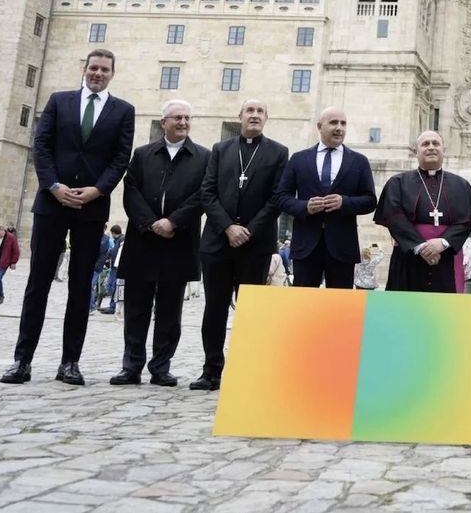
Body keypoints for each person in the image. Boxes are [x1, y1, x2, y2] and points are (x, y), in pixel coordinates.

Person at [2, 49, 136, 387]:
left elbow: (120, 159)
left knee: (80, 287)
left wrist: (98, 190)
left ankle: (70, 362)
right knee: (38, 285)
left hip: (91, 209)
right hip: (52, 203)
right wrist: (53, 185)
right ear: (85, 70)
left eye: (104, 69)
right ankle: (22, 360)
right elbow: (41, 146)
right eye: (93, 68)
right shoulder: (59, 101)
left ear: (112, 73)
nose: (97, 74)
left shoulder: (123, 111)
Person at [111, 98, 209, 387]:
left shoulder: (203, 157)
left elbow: (203, 194)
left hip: (179, 241)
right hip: (144, 240)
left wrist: (173, 221)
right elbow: (131, 191)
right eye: (177, 117)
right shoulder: (142, 155)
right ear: (163, 122)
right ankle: (131, 366)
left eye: (187, 118)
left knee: (169, 311)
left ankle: (161, 366)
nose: (183, 122)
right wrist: (151, 223)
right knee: (136, 309)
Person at [195, 100, 290, 391]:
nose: (255, 116)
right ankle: (211, 371)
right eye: (250, 111)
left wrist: (247, 230)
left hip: (255, 244)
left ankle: (247, 370)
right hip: (217, 242)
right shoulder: (221, 150)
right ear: (240, 117)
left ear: (266, 119)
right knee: (214, 308)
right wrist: (228, 227)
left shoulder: (278, 152)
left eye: (260, 112)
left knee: (250, 311)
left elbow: (276, 199)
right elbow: (207, 192)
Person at [277, 106, 377, 289]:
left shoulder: (359, 161)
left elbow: (370, 200)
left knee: (339, 309)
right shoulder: (298, 159)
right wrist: (305, 206)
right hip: (305, 246)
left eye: (343, 123)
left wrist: (344, 202)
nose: (339, 128)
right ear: (319, 126)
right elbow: (282, 197)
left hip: (342, 246)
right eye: (333, 122)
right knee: (303, 305)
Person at [375, 129, 471, 293]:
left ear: (443, 150)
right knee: (405, 309)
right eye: (425, 144)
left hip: (446, 257)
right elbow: (394, 217)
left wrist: (443, 242)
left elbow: (466, 220)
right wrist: (420, 246)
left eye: (436, 143)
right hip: (408, 256)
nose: (431, 147)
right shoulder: (398, 183)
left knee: (445, 311)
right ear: (416, 152)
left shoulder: (461, 185)